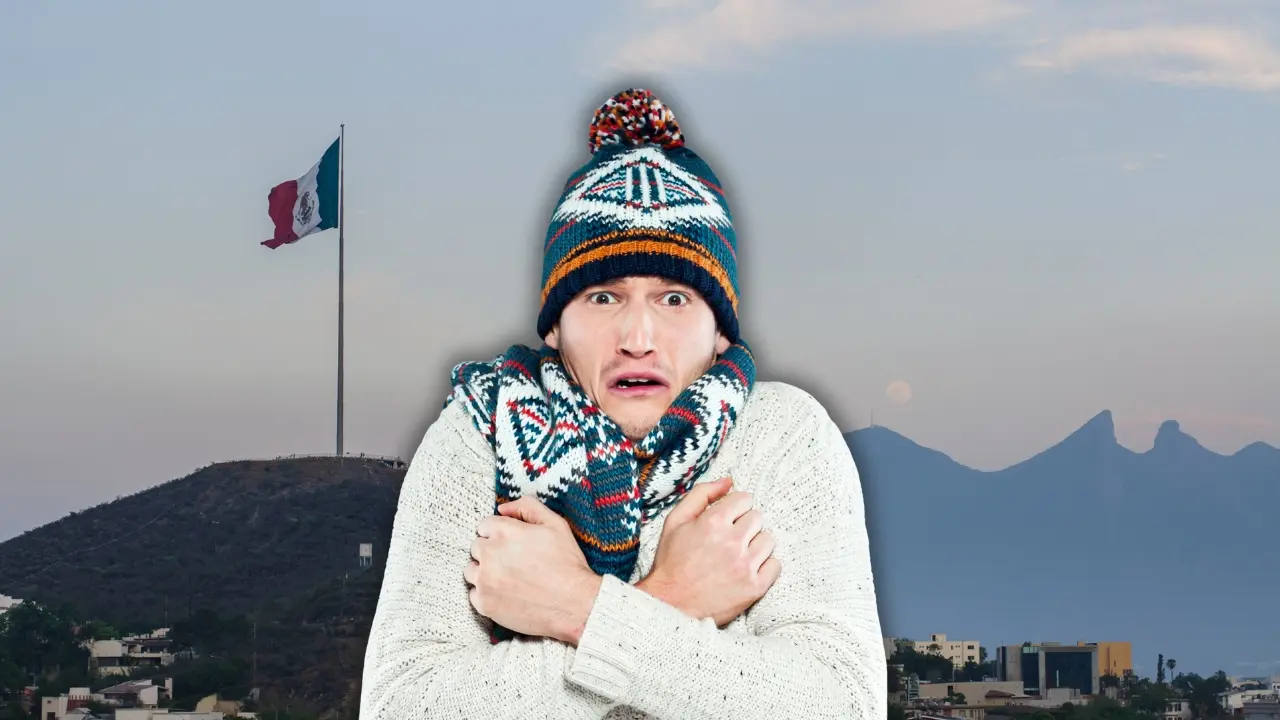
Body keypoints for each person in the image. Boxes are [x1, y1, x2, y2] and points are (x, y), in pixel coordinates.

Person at [360, 88, 885, 719]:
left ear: (720, 331)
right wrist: (675, 596)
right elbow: (399, 706)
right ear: (555, 327)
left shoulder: (783, 436)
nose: (637, 338)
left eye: (674, 299)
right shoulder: (481, 434)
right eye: (603, 297)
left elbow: (843, 705)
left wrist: (572, 606)